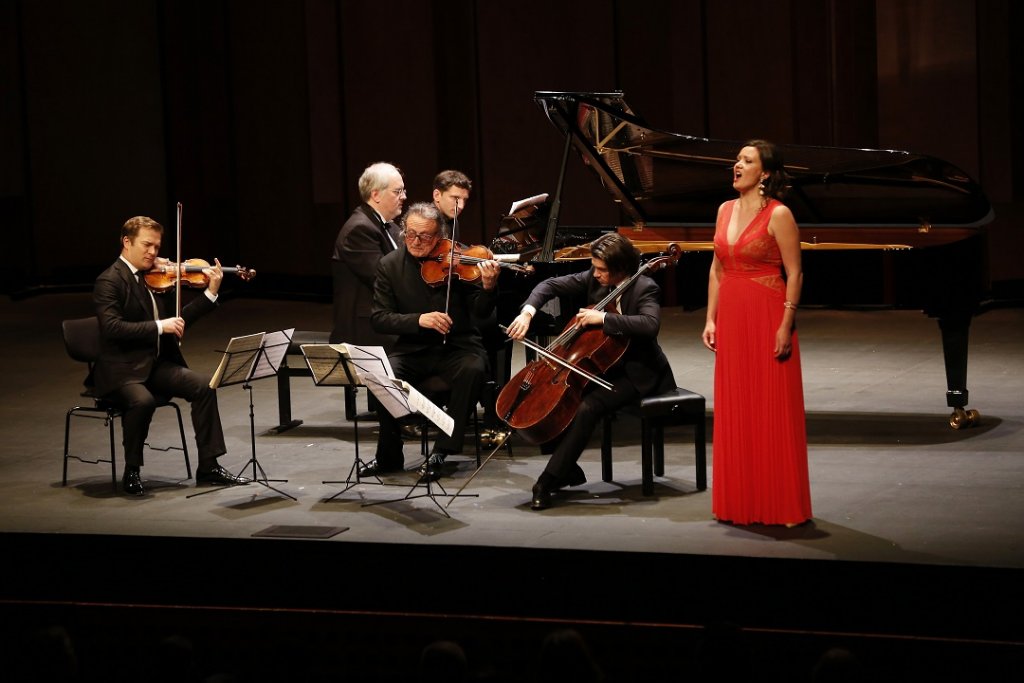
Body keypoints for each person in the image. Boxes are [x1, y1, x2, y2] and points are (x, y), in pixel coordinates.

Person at [506, 232, 676, 510]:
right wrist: (527, 313)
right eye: (594, 267)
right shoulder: (594, 278)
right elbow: (549, 285)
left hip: (637, 373)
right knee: (555, 401)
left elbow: (649, 324)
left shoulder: (644, 287)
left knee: (587, 407)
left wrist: (605, 318)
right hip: (602, 365)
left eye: (601, 269)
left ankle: (547, 481)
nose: (595, 274)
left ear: (620, 268)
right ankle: (567, 469)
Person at [93, 216, 249, 495]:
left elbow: (177, 321)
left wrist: (211, 293)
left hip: (154, 366)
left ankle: (209, 466)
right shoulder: (109, 281)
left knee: (204, 385)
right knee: (143, 401)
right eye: (146, 245)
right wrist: (158, 326)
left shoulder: (155, 279)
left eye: (156, 246)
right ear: (127, 242)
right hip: (122, 370)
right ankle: (132, 470)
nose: (153, 253)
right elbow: (112, 328)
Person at [701, 139, 812, 526]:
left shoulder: (779, 214)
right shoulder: (723, 209)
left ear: (764, 172)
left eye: (746, 161)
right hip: (731, 315)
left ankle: (781, 505)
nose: (737, 165)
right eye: (737, 159)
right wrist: (711, 318)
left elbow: (794, 272)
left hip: (767, 314)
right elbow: (717, 269)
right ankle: (740, 503)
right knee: (737, 407)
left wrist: (786, 323)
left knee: (771, 407)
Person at [363, 202, 500, 480]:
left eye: (425, 236)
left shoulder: (458, 260)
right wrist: (418, 320)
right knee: (383, 374)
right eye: (410, 234)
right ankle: (388, 455)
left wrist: (488, 288)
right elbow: (379, 318)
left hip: (459, 346)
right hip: (414, 348)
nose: (416, 241)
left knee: (473, 369)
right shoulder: (389, 266)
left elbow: (483, 314)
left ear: (439, 237)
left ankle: (442, 451)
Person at [330, 161, 406, 348]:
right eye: (397, 191)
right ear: (375, 195)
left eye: (403, 190)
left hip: (387, 324)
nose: (404, 197)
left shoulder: (391, 226)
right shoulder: (359, 229)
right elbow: (383, 278)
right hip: (367, 332)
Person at [431, 169, 472, 235]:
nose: (461, 206)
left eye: (464, 200)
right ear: (437, 195)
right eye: (455, 198)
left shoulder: (453, 223)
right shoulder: (423, 223)